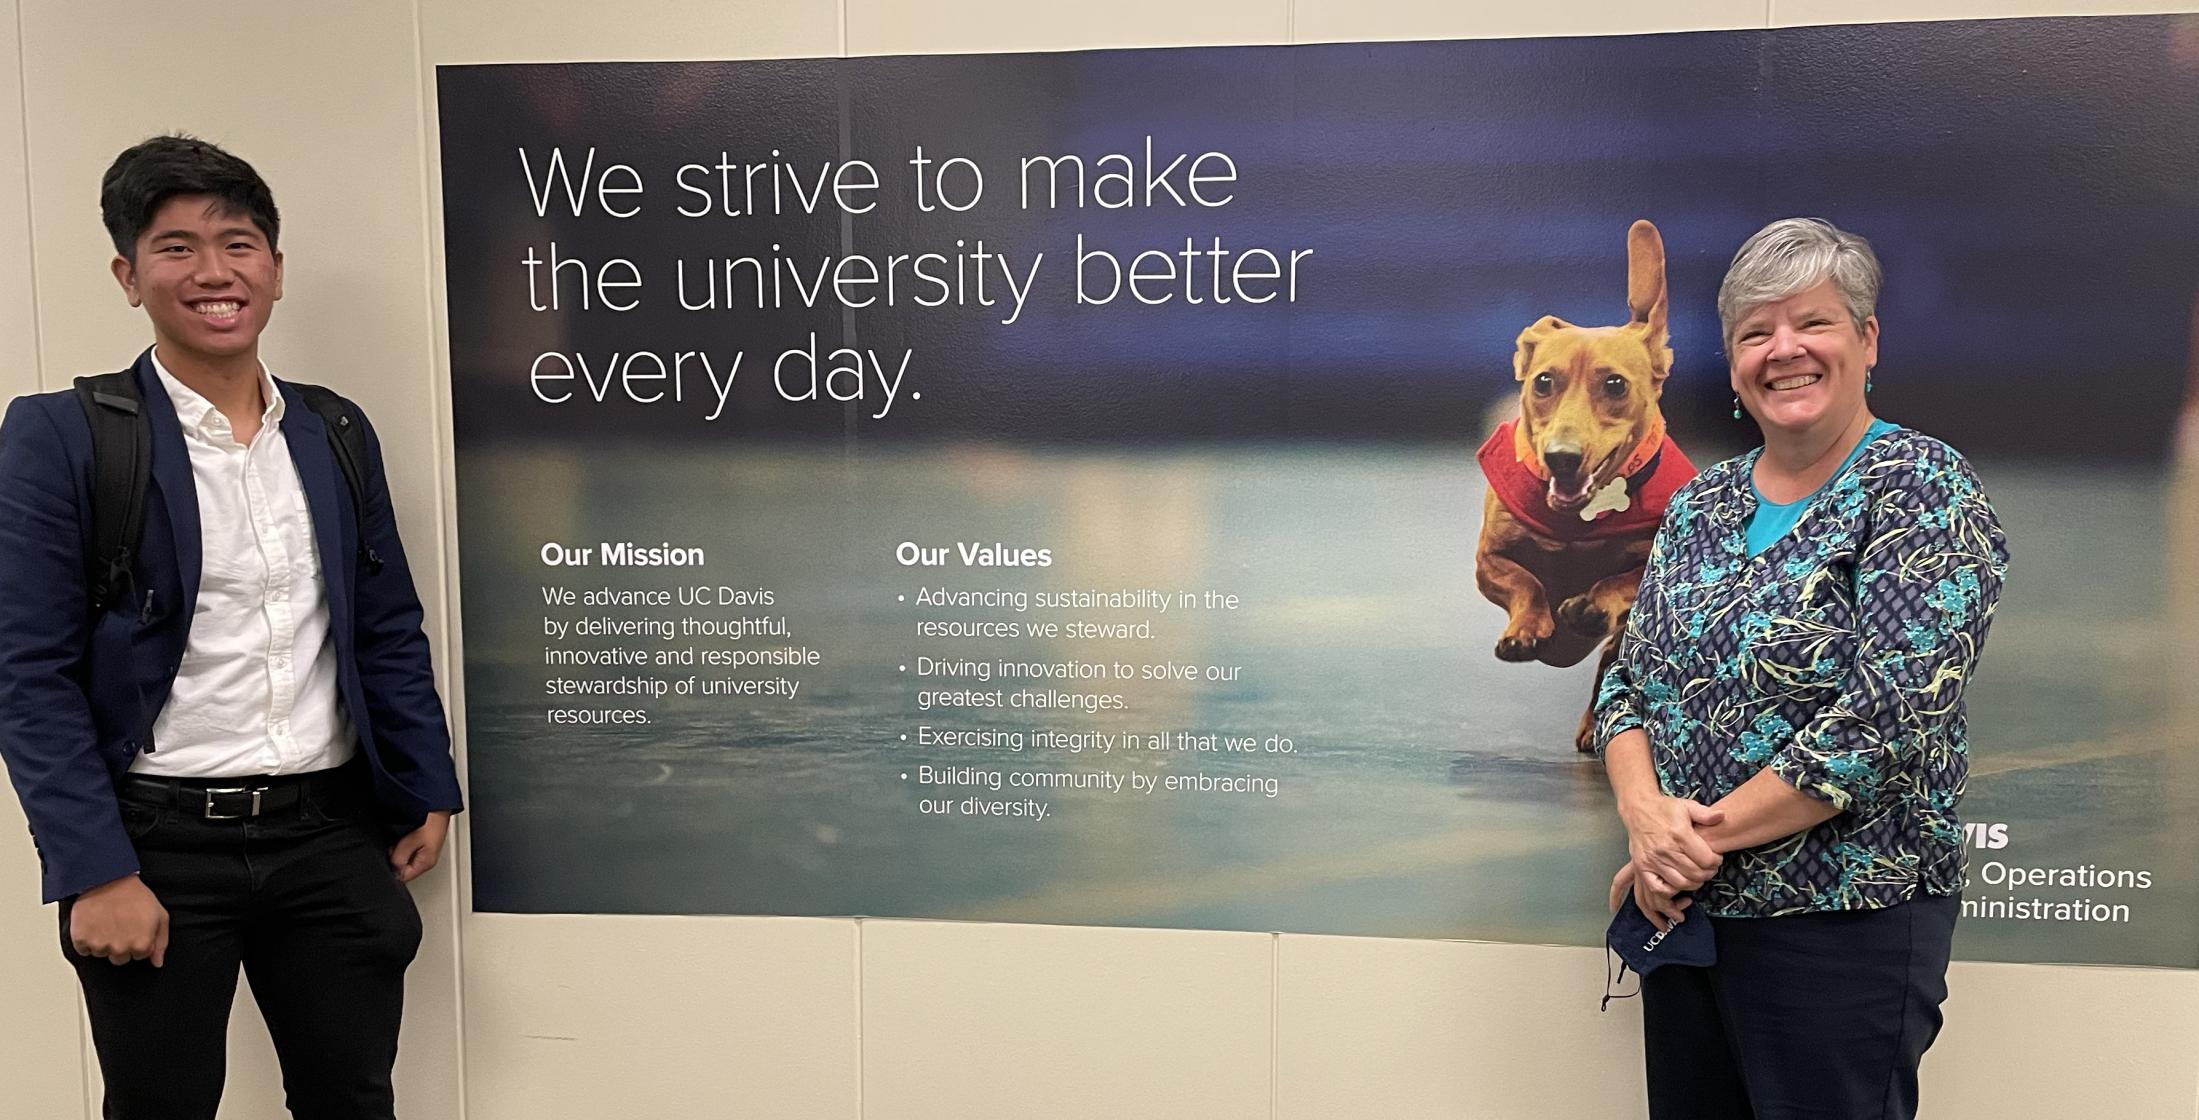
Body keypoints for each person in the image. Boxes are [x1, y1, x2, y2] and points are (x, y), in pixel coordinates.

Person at [0, 135, 463, 1119]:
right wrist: (95, 868)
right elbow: (27, 673)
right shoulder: (62, 436)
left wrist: (425, 780)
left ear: (276, 270)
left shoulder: (334, 430)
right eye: (176, 248)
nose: (215, 271)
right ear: (128, 276)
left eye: (239, 243)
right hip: (158, 844)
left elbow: (383, 624)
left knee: (354, 1099)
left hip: (329, 835)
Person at [1593, 217, 2009, 1119]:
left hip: (1840, 927)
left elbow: (1884, 720)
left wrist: (1688, 840)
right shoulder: (1702, 502)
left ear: (1865, 339)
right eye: (1754, 332)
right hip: (1686, 920)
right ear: (1734, 362)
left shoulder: (1921, 487)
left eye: (1812, 323)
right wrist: (1641, 816)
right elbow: (1626, 681)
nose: (1783, 350)